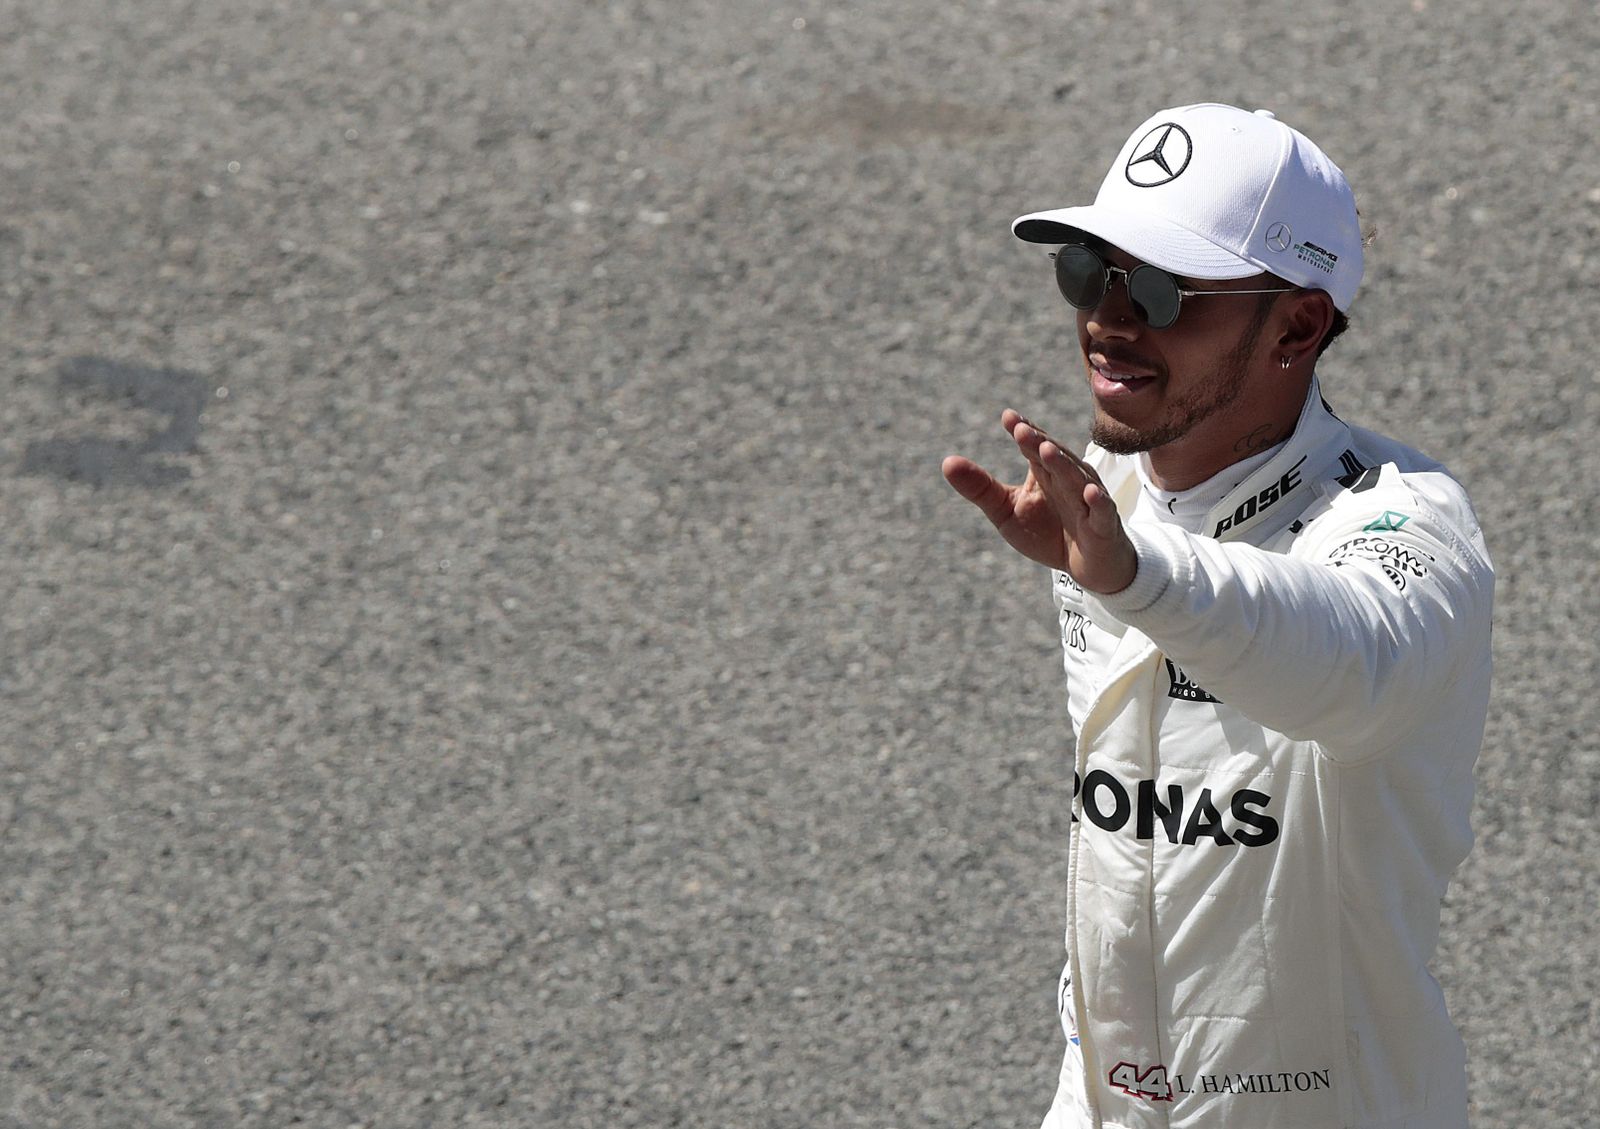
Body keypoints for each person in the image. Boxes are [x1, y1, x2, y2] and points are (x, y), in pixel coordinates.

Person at [942, 103, 1493, 1129]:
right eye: (1089, 272)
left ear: (1295, 325)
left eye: (1161, 288)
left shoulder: (1406, 524)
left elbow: (1346, 658)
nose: (1111, 316)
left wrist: (1138, 574)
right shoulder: (1104, 490)